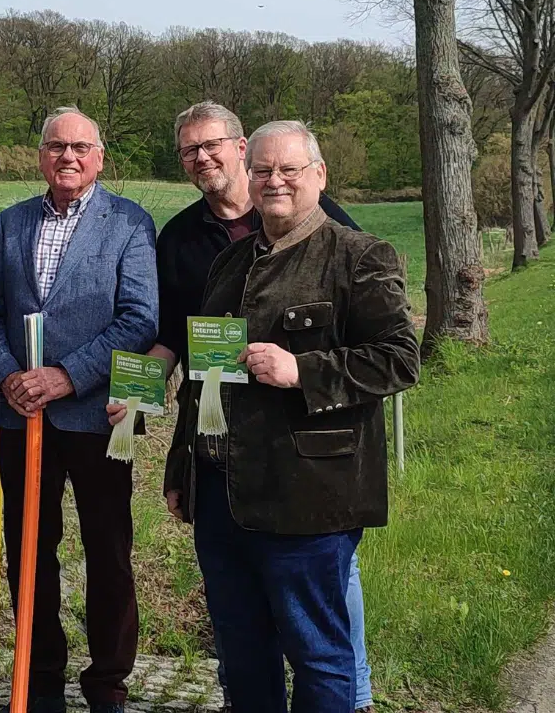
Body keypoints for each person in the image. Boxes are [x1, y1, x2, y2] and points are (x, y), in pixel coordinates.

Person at [164, 120, 419, 712]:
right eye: (262, 171)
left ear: (319, 175)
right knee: (241, 652)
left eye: (288, 169)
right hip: (222, 497)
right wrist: (183, 467)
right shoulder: (228, 264)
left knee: (318, 654)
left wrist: (302, 369)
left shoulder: (358, 256)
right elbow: (202, 377)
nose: (274, 180)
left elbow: (400, 359)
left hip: (308, 497)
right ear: (248, 177)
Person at [0, 107, 158, 713]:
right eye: (56, 146)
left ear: (100, 158)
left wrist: (66, 376)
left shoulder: (129, 223)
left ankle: (107, 684)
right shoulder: (12, 221)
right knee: (29, 552)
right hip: (21, 415)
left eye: (80, 147)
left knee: (108, 553)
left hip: (97, 416)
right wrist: (8, 376)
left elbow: (139, 319)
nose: (68, 157)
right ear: (41, 156)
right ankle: (40, 680)